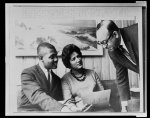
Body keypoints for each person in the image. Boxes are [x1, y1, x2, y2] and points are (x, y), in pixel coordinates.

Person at [96, 20, 139, 112]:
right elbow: (121, 77)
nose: (104, 46)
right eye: (100, 43)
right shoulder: (112, 52)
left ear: (115, 34)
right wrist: (124, 107)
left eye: (104, 42)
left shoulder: (138, 32)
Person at [17, 42, 72, 112]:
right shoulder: (28, 73)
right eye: (52, 57)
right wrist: (62, 108)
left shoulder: (57, 79)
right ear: (41, 58)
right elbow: (37, 95)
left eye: (56, 56)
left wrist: (73, 106)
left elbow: (58, 100)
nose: (56, 59)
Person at [61, 44, 105, 112]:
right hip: (81, 111)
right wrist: (77, 110)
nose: (78, 60)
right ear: (68, 63)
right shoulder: (65, 79)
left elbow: (103, 94)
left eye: (78, 56)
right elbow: (69, 102)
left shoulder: (92, 73)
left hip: (98, 108)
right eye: (73, 59)